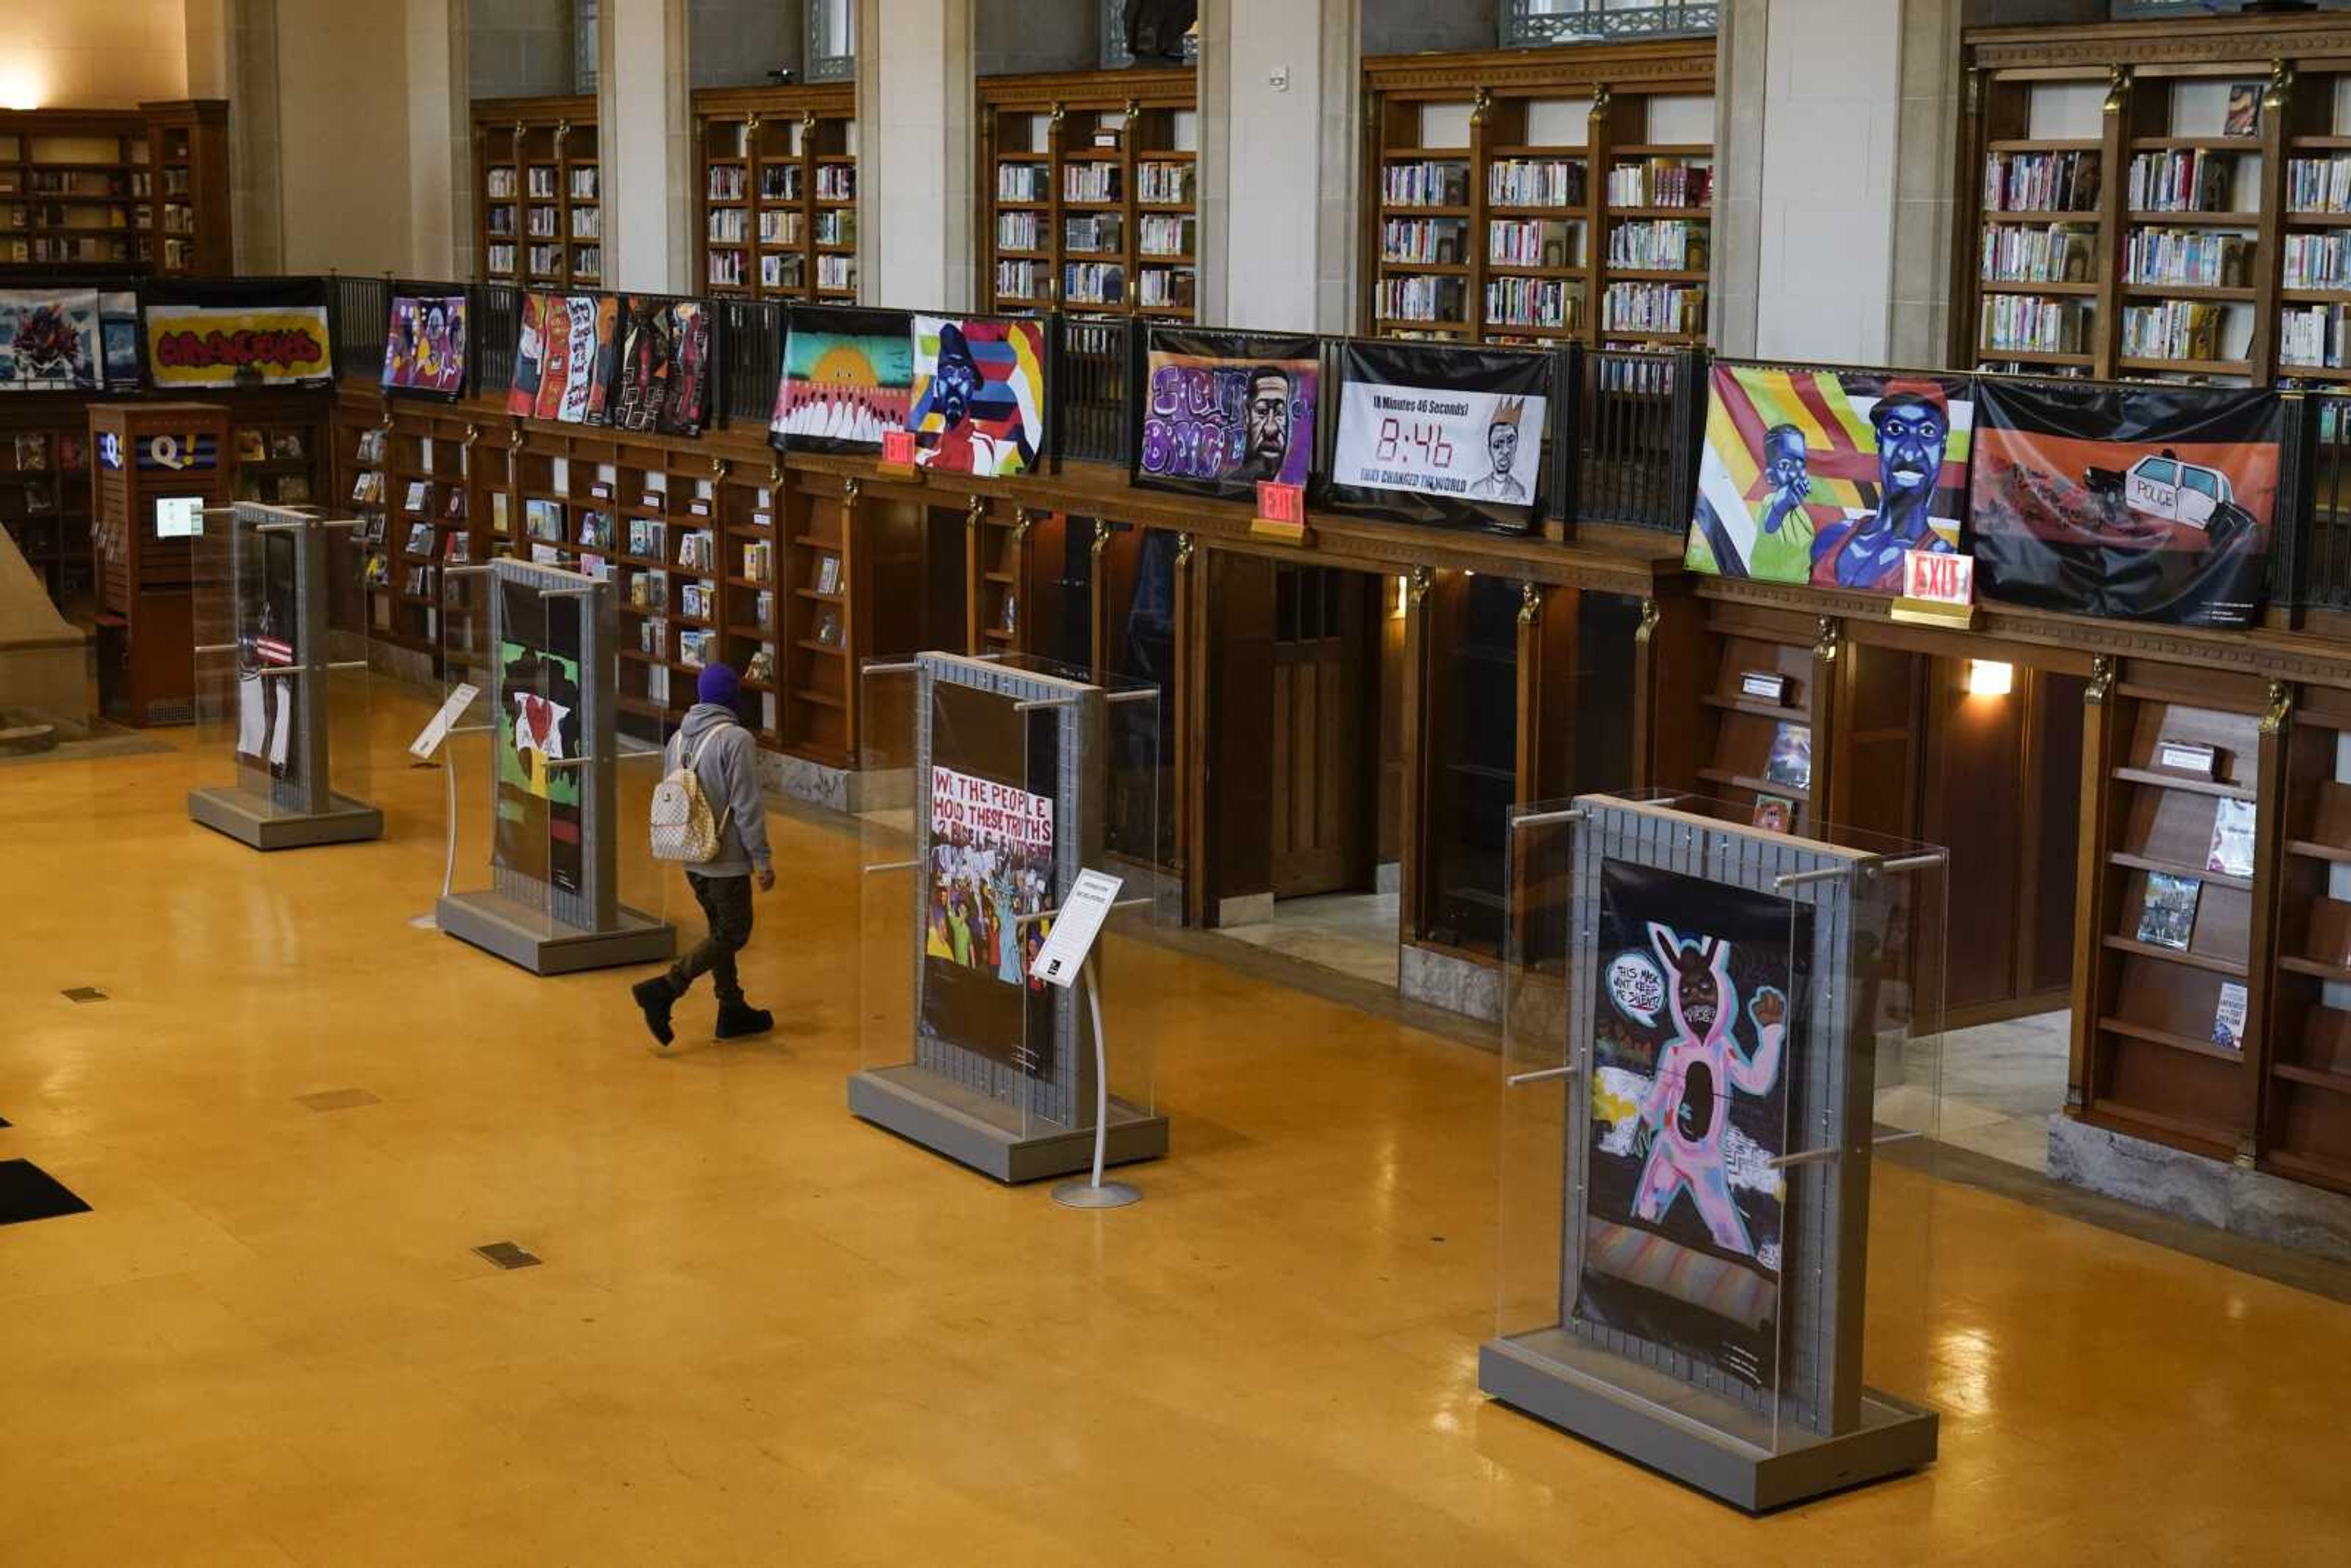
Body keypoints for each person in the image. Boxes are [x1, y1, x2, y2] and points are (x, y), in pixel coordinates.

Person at [632, 664, 776, 1046]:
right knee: (734, 932)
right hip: (724, 860)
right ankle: (666, 987)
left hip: (690, 855)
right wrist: (762, 860)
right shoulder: (736, 739)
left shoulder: (678, 739)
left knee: (719, 934)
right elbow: (747, 806)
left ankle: (731, 1009)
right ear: (733, 697)